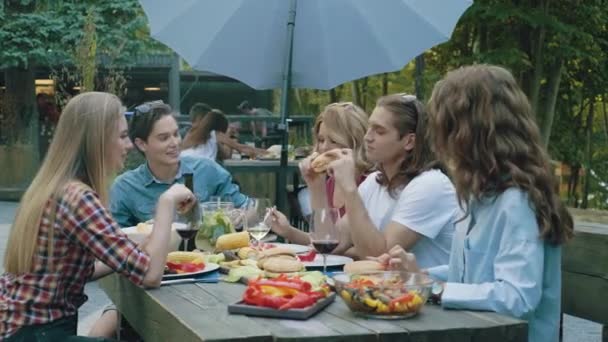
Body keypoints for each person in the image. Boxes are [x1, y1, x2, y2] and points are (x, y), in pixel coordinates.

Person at [378, 65, 574, 342]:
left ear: (468, 133)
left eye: (445, 129)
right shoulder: (478, 193)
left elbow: (517, 295)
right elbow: (472, 271)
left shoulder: (517, 201)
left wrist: (432, 289)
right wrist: (417, 273)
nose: (439, 143)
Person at [0, 92, 195, 341]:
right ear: (97, 140)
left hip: (18, 325)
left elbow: (77, 268)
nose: (128, 145)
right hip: (36, 333)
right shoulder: (78, 197)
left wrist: (134, 253)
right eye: (123, 136)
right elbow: (150, 276)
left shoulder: (56, 185)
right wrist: (167, 202)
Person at [327, 94, 458, 266]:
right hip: (383, 289)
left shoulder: (431, 184)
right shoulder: (374, 182)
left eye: (379, 131)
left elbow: (379, 257)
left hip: (428, 291)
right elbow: (331, 242)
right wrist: (314, 184)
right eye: (369, 128)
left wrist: (349, 188)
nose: (367, 137)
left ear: (409, 141)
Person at [109, 101, 250, 228]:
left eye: (176, 134)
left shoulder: (208, 170)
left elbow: (249, 210)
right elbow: (118, 242)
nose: (174, 143)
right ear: (142, 144)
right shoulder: (125, 187)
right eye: (164, 138)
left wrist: (240, 217)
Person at [268, 102, 373, 246]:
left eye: (334, 140)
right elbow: (324, 240)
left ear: (355, 143)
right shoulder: (330, 182)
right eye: (321, 140)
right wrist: (288, 231)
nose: (324, 148)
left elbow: (352, 248)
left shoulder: (369, 184)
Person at [181, 109, 266, 161]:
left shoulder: (192, 134)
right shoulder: (214, 134)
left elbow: (227, 154)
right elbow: (242, 148)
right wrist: (268, 153)